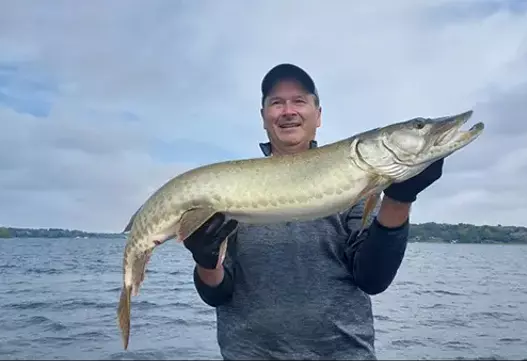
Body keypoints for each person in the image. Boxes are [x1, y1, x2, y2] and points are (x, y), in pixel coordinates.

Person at [183, 63, 444, 360]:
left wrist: (399, 199)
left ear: (318, 115)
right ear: (264, 118)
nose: (288, 110)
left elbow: (372, 278)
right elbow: (216, 293)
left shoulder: (356, 183)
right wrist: (206, 260)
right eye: (276, 102)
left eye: (299, 101)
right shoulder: (228, 190)